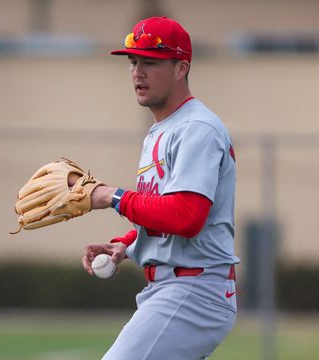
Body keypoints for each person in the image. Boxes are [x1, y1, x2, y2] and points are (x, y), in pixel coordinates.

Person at [83, 16, 239, 360]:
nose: (138, 72)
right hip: (173, 286)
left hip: (194, 289)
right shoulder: (164, 128)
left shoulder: (197, 128)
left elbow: (186, 217)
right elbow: (168, 217)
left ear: (181, 67)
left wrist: (112, 196)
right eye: (133, 61)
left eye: (150, 62)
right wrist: (128, 244)